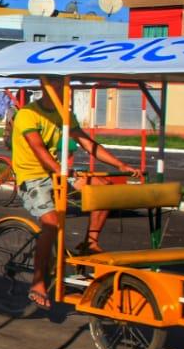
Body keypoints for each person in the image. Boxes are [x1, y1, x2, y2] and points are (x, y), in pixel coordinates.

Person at [12, 78, 141, 310]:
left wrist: (120, 165)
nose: (65, 91)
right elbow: (39, 149)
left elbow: (87, 143)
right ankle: (38, 282)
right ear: (46, 87)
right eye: (60, 85)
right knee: (51, 223)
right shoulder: (27, 115)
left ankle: (90, 243)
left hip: (58, 172)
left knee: (102, 188)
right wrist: (62, 171)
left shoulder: (65, 115)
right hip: (32, 177)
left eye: (66, 86)